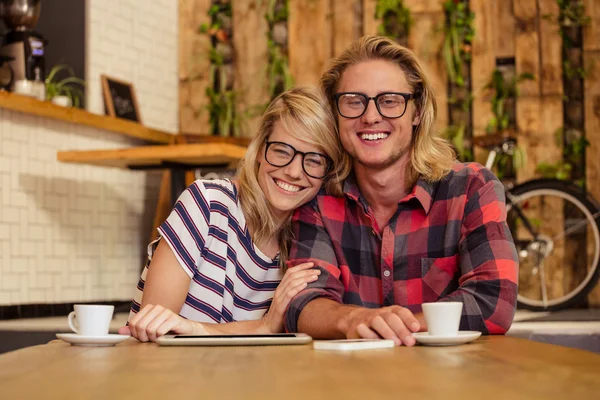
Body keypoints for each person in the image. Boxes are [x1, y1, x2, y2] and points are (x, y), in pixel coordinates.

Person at [283, 35, 519, 346]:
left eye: (390, 100)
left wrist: (392, 327)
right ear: (336, 115)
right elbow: (304, 304)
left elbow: (494, 300)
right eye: (354, 101)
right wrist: (354, 319)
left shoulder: (472, 188)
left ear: (417, 112)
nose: (370, 117)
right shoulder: (318, 201)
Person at [119, 87, 350, 342]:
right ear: (261, 149)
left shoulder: (311, 242)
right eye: (282, 151)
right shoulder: (207, 204)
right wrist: (263, 326)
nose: (294, 172)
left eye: (314, 159)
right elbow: (152, 331)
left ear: (328, 171)